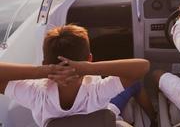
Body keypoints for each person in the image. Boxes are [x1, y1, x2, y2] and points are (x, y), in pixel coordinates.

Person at [0, 24, 153, 127]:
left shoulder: (36, 95)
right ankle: (154, 119)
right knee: (136, 85)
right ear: (90, 58)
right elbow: (142, 66)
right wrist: (89, 69)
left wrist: (41, 71)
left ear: (45, 62)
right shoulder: (97, 90)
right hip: (105, 118)